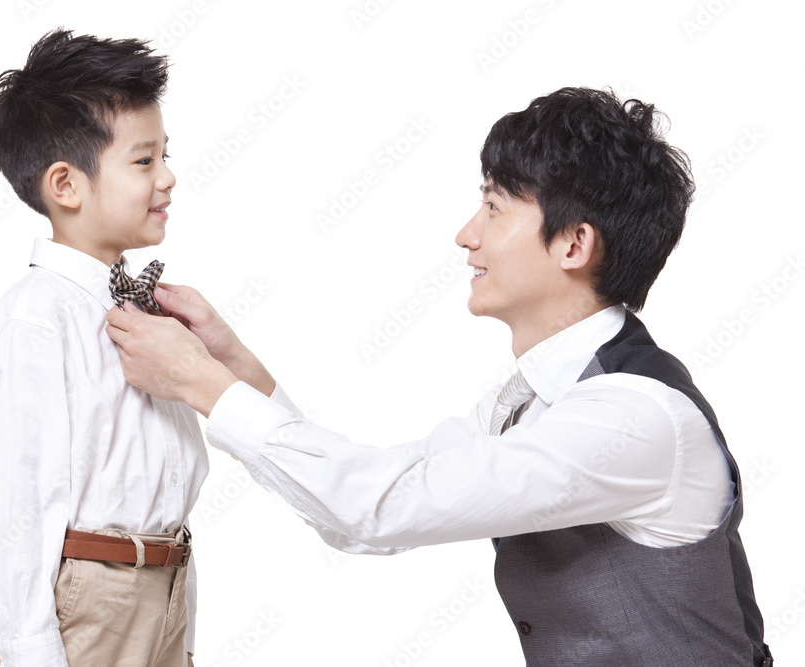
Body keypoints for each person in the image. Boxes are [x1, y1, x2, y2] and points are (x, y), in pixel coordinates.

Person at [105, 87, 773, 666]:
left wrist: (199, 385)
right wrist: (232, 369)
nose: (466, 235)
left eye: (494, 207)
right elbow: (368, 511)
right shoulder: (529, 400)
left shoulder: (633, 417)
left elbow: (379, 507)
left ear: (574, 244)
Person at [0, 29, 206, 667]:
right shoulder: (39, 317)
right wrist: (29, 652)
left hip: (167, 577)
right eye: (144, 160)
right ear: (66, 186)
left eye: (165, 155)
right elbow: (19, 500)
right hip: (93, 594)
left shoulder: (138, 306)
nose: (168, 177)